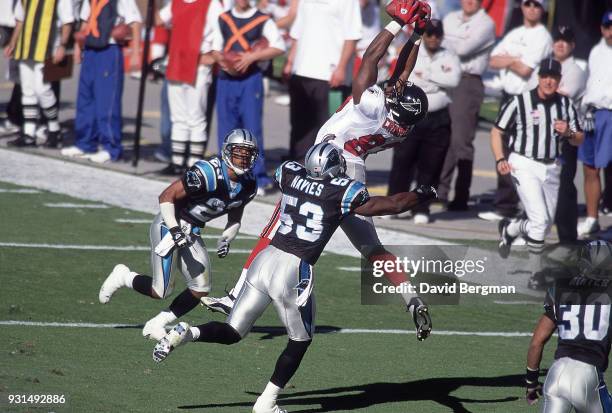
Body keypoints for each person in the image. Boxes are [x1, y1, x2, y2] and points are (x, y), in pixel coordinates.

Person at [152, 142, 438, 413]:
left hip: (265, 260)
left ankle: (189, 332)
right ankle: (267, 402)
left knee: (233, 332)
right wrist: (424, 193)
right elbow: (393, 205)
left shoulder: (289, 173)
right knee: (300, 339)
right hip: (293, 268)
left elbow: (286, 170)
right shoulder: (342, 191)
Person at [203, 0, 433, 333]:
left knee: (278, 226)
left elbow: (371, 59)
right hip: (354, 174)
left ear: (394, 105)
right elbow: (402, 74)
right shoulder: (402, 127)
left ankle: (237, 294)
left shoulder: (371, 107)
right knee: (371, 247)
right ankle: (411, 297)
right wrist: (418, 34)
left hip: (327, 166)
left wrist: (396, 24)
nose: (396, 85)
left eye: (398, 91)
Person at [98, 129, 258, 341]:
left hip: (191, 231)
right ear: (227, 152)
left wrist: (226, 239)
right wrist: (174, 230)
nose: (243, 158)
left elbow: (235, 218)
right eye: (239, 152)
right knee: (160, 290)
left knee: (201, 288)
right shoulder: (207, 172)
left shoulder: (248, 184)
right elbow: (166, 196)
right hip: (169, 224)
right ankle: (124, 276)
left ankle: (157, 323)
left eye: (248, 154)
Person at [494, 58, 583, 259]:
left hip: (552, 167)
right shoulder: (520, 101)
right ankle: (535, 273)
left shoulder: (565, 104)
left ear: (559, 79)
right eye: (545, 76)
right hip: (523, 163)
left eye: (553, 77)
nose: (549, 81)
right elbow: (496, 131)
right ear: (539, 78)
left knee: (545, 224)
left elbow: (579, 139)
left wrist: (568, 132)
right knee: (540, 220)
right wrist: (501, 159)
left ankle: (511, 229)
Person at [482, 0, 553, 222]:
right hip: (508, 96)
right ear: (521, 7)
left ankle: (518, 205)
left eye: (536, 5)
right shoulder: (516, 33)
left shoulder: (543, 36)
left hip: (527, 99)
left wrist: (510, 59)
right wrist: (515, 59)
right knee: (502, 149)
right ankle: (505, 203)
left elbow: (526, 69)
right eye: (528, 4)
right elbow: (492, 60)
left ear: (543, 10)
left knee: (522, 151)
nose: (531, 8)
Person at [387, 19, 461, 224]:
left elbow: (454, 80)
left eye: (437, 35)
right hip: (411, 116)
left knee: (431, 165)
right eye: (430, 34)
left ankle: (422, 207)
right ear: (424, 35)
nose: (433, 38)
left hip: (438, 118)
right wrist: (437, 78)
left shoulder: (449, 55)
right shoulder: (413, 50)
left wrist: (428, 75)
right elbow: (409, 78)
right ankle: (393, 205)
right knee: (403, 161)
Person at [525, 240, 612, 411]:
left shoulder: (560, 287)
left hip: (556, 375)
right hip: (587, 375)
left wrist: (531, 383)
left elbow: (537, 342)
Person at [210, 0, 285, 194]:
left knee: (252, 128)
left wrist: (251, 57)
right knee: (226, 128)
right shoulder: (223, 18)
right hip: (226, 79)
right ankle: (226, 175)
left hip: (250, 79)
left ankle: (257, 177)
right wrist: (224, 61)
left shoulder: (262, 19)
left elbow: (279, 46)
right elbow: (216, 49)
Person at [60, 0, 142, 163]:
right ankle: (85, 143)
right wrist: (78, 46)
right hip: (91, 48)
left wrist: (135, 52)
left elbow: (135, 21)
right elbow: (85, 20)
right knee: (85, 98)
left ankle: (111, 147)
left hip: (109, 50)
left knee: (107, 102)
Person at [284, 0, 362, 161]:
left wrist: (341, 68)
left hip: (330, 76)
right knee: (300, 126)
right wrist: (290, 61)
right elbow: (297, 32)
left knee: (329, 130)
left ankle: (324, 169)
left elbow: (351, 37)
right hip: (301, 71)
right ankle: (298, 166)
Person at [438, 0, 495, 210]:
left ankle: (461, 195)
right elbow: (435, 44)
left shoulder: (486, 22)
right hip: (446, 77)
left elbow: (462, 49)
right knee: (443, 137)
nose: (470, 1)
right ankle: (440, 191)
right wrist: (449, 39)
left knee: (461, 141)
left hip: (467, 81)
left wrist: (445, 38)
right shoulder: (451, 18)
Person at [155, 0, 224, 175]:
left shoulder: (211, 3)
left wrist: (214, 55)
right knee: (178, 116)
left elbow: (222, 29)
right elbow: (159, 20)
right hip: (177, 62)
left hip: (198, 64)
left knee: (196, 117)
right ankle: (177, 162)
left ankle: (194, 165)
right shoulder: (176, 2)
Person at [3, 0, 74, 148]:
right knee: (27, 90)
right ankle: (29, 134)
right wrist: (13, 42)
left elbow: (67, 21)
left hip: (46, 47)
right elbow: (20, 19)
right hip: (26, 46)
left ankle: (54, 130)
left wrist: (62, 45)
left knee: (43, 89)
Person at [551, 25, 587, 245]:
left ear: (572, 45)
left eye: (565, 40)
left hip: (567, 138)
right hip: (545, 137)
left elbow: (556, 97)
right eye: (557, 40)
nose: (560, 44)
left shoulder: (575, 71)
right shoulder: (548, 67)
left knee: (564, 186)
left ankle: (568, 237)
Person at [578, 11, 612, 237]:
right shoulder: (595, 51)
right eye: (608, 26)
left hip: (610, 112)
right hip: (590, 113)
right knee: (590, 168)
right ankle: (592, 219)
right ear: (602, 28)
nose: (611, 30)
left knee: (610, 167)